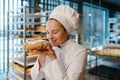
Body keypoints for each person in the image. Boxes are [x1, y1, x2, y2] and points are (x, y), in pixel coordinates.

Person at [30, 5, 87, 80]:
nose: (50, 37)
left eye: (55, 32)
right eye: (47, 32)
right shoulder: (49, 48)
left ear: (66, 31)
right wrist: (41, 58)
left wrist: (53, 58)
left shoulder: (80, 52)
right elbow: (36, 77)